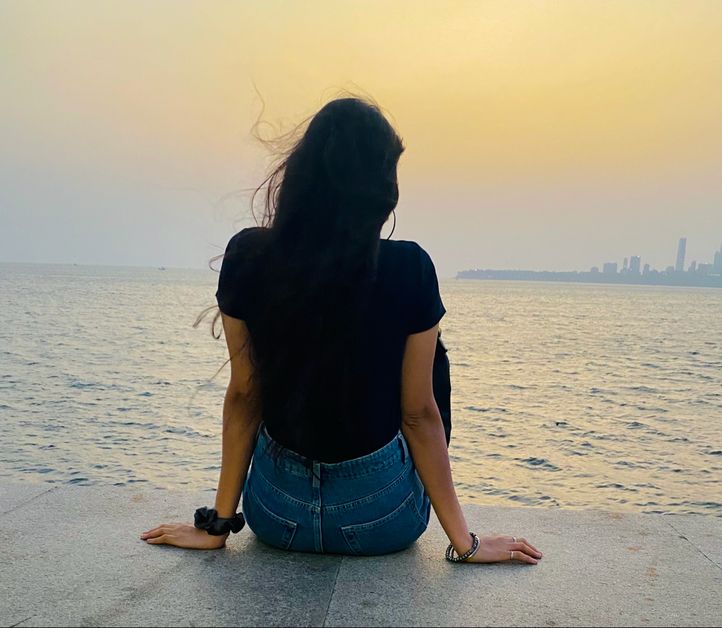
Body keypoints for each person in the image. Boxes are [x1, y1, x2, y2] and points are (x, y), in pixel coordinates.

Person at [140, 97, 543, 565]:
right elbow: (418, 415)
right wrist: (465, 542)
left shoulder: (247, 255)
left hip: (277, 514)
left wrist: (215, 527)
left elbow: (244, 397)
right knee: (433, 359)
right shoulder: (410, 266)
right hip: (381, 519)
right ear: (379, 187)